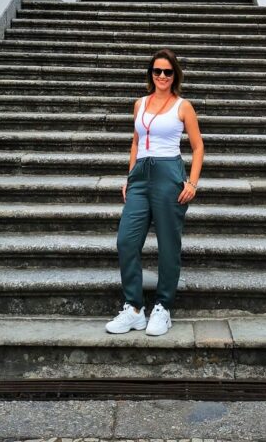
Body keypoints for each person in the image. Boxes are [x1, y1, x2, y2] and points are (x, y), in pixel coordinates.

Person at [105, 48, 204, 337]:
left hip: (168, 174)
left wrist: (192, 183)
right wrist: (130, 176)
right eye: (157, 71)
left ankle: (163, 307)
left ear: (175, 75)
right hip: (140, 178)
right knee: (126, 241)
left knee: (168, 245)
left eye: (167, 72)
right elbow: (136, 142)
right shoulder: (140, 104)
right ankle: (135, 309)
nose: (161, 76)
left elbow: (198, 147)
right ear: (151, 73)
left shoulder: (183, 106)